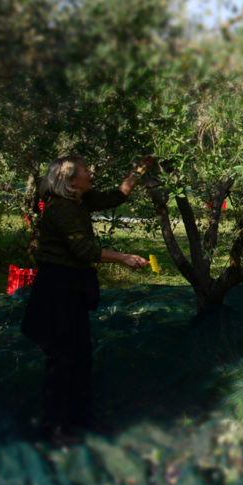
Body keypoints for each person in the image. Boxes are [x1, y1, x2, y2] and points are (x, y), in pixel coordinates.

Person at [21, 156, 152, 446]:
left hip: (73, 287)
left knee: (81, 353)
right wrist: (123, 258)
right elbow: (83, 249)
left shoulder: (80, 200)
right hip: (57, 288)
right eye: (85, 171)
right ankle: (53, 427)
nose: (91, 173)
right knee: (63, 357)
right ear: (70, 180)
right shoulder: (62, 209)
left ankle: (80, 416)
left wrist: (139, 170)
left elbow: (117, 196)